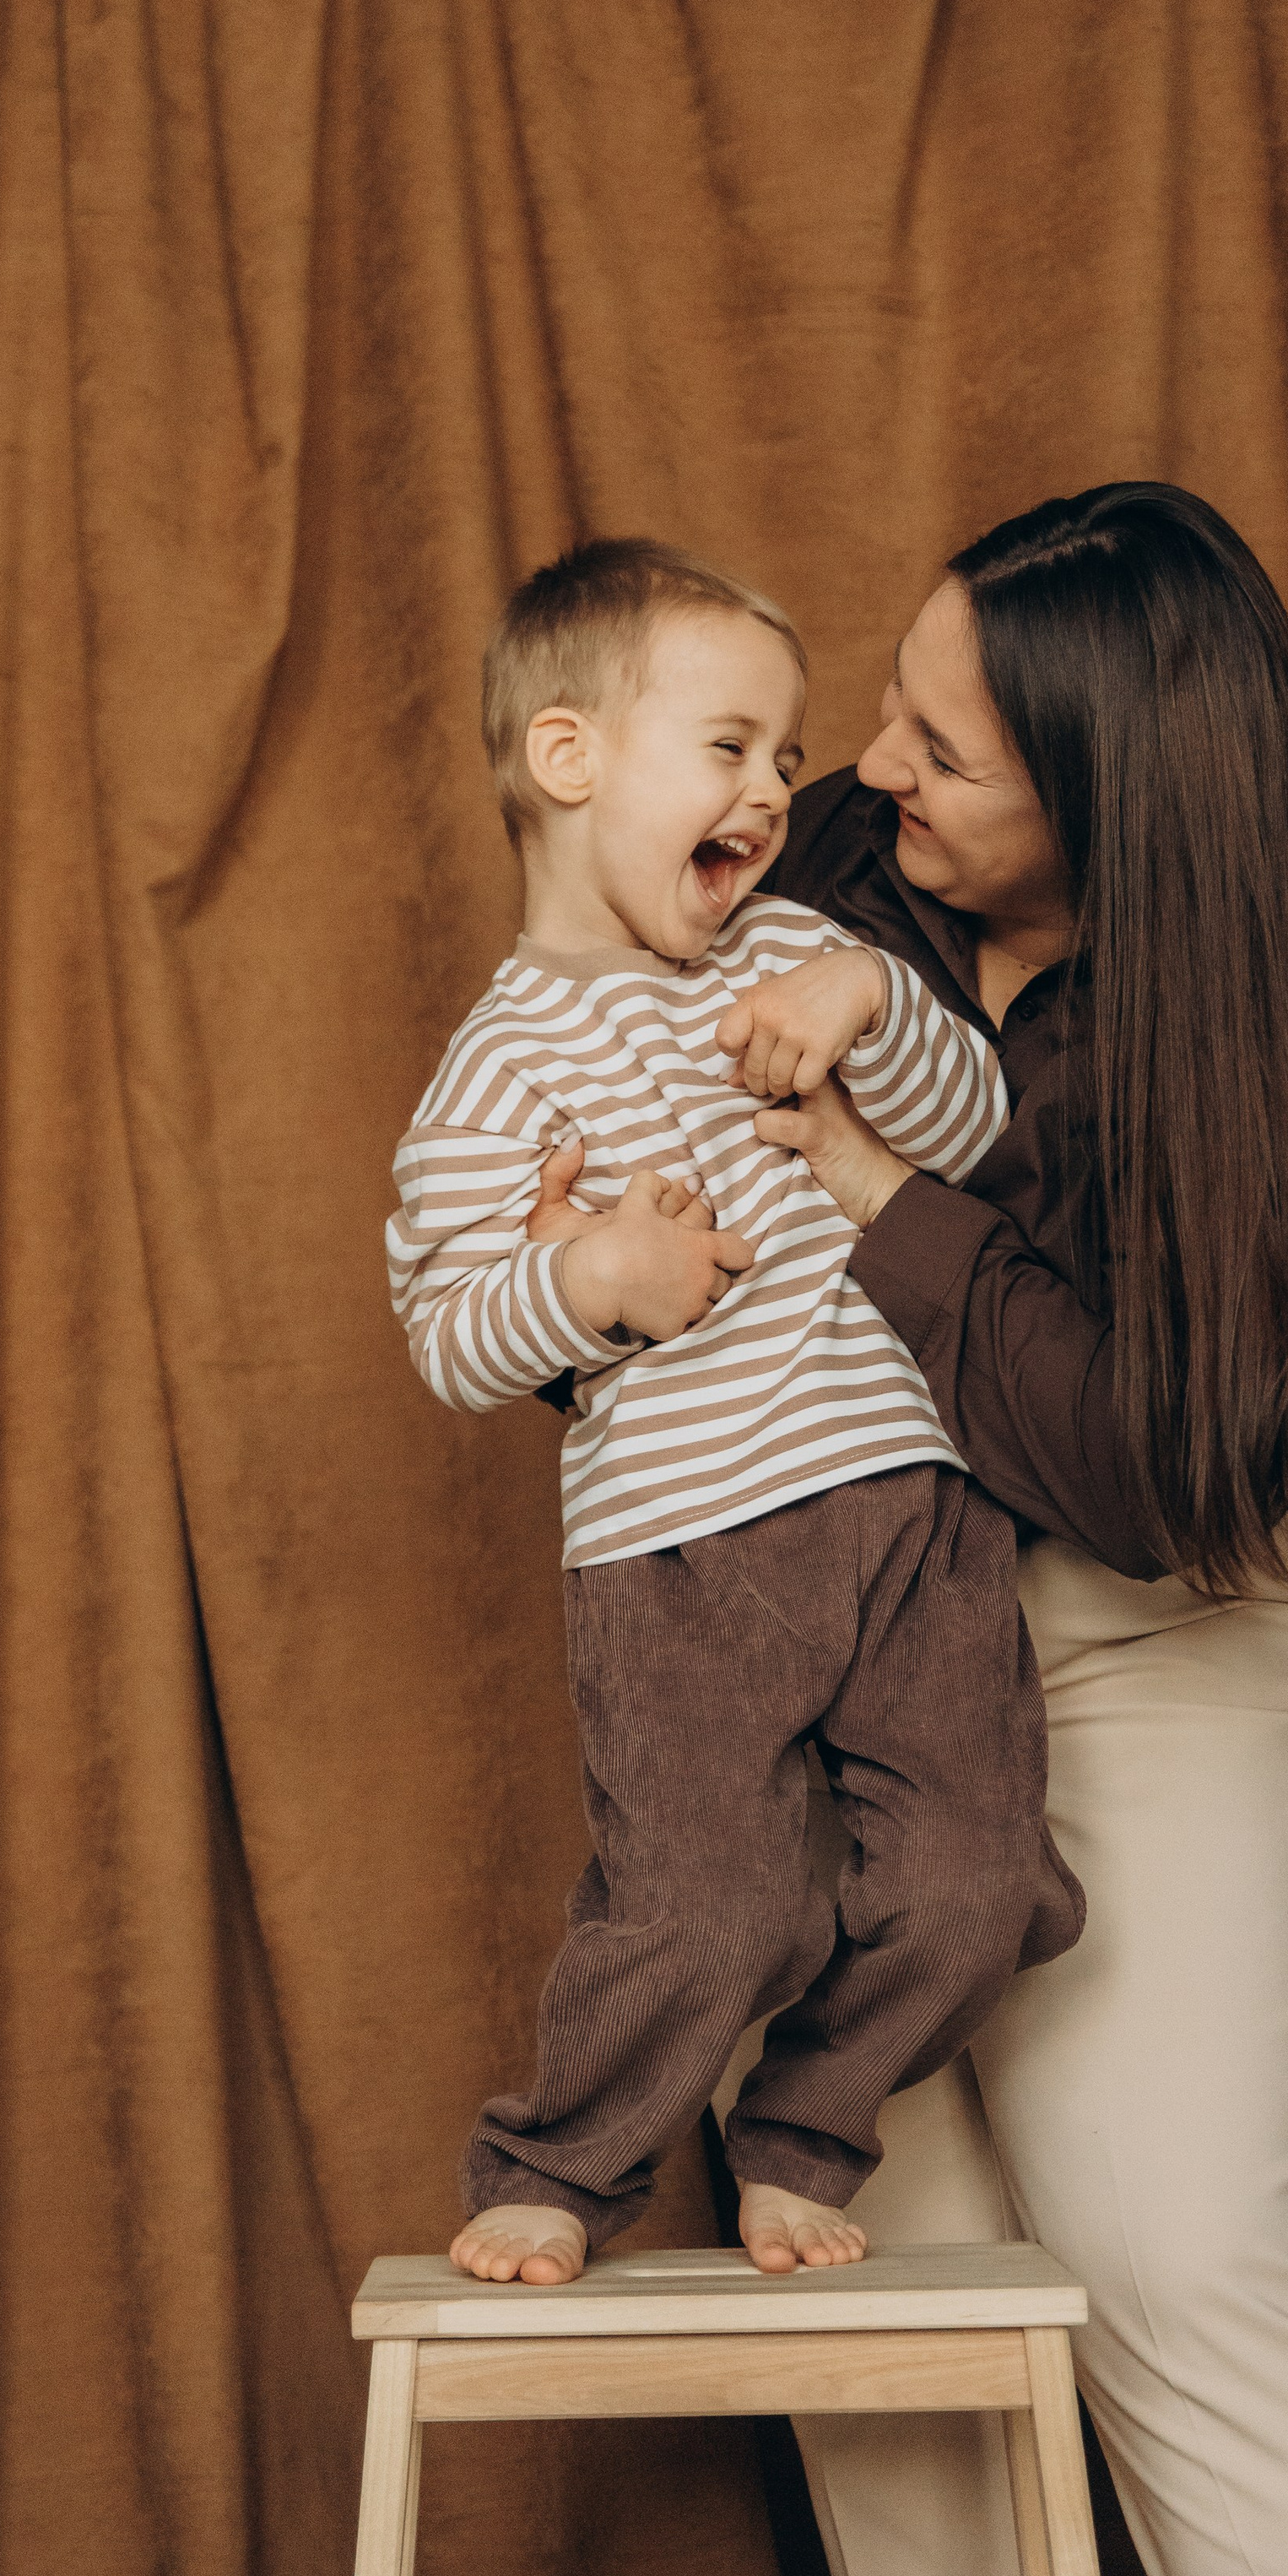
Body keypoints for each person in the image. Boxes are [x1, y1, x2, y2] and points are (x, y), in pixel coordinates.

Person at [532, 484, 1288, 2576]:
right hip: (851, 1619)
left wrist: (868, 1174)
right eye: (889, 707)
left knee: (1186, 2271)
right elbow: (629, 1134)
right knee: (875, 2288)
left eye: (943, 753)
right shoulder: (848, 864)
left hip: (1158, 1616)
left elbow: (1148, 1480)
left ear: (1115, 805)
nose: (869, 773)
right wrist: (579, 1275)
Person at [385, 537, 1085, 2290]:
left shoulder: (789, 943)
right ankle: (559, 2163)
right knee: (707, 1907)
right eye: (731, 747)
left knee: (979, 1878)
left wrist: (861, 995)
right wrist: (588, 1284)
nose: (776, 788)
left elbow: (968, 1114)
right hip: (684, 1544)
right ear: (570, 763)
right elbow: (449, 1333)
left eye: (784, 758)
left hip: (911, 1511)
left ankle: (805, 2119)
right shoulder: (496, 1066)